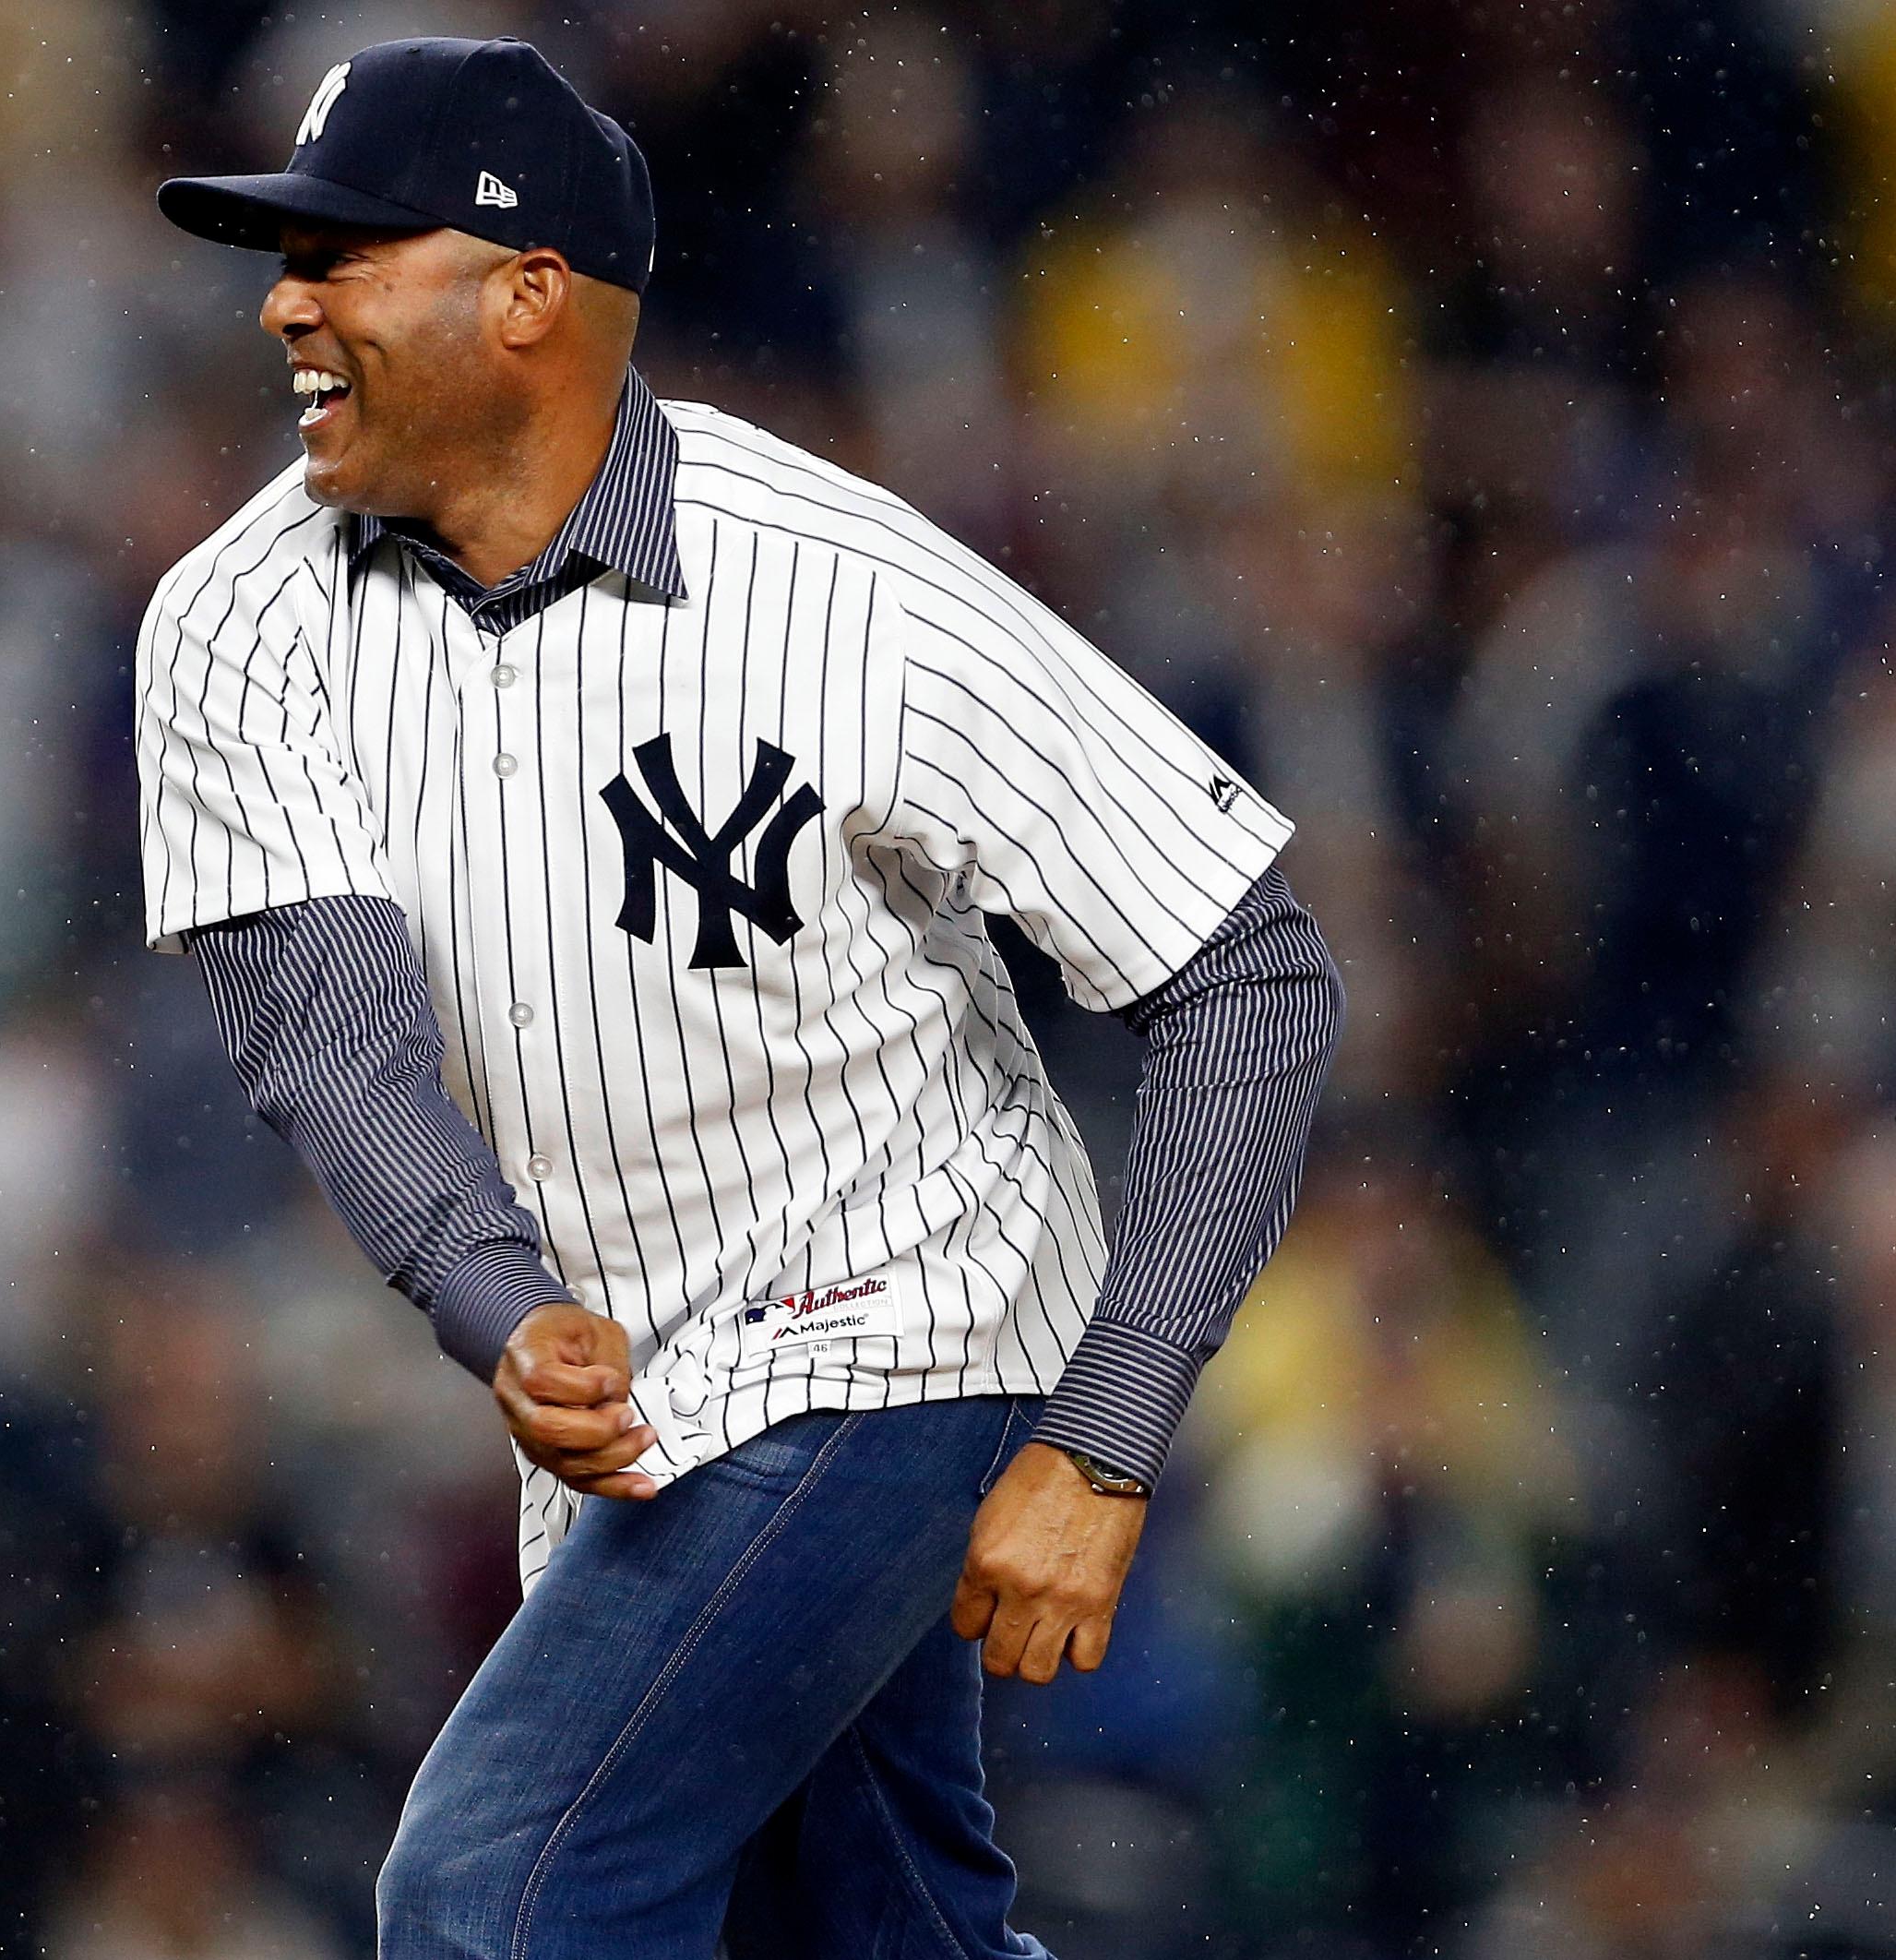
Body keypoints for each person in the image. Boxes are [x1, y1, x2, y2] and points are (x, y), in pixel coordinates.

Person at [135, 36, 1345, 1956]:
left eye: (343, 253)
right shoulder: (237, 619)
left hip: (910, 1311)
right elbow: (328, 1037)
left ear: (527, 293)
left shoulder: (842, 584)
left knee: (498, 1889)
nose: (284, 297)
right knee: (874, 1938)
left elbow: (1249, 975)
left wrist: (1107, 1433)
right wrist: (492, 1295)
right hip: (635, 1393)